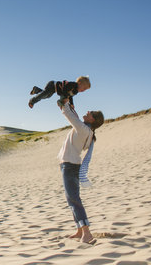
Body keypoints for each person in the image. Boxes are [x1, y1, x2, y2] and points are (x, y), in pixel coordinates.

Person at [58, 98, 104, 244]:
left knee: (73, 199)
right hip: (71, 165)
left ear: (93, 120)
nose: (88, 111)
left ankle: (87, 233)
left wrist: (64, 103)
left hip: (70, 165)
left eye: (92, 113)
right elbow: (75, 117)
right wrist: (70, 107)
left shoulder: (83, 129)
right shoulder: (87, 130)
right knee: (72, 198)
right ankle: (79, 231)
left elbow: (70, 116)